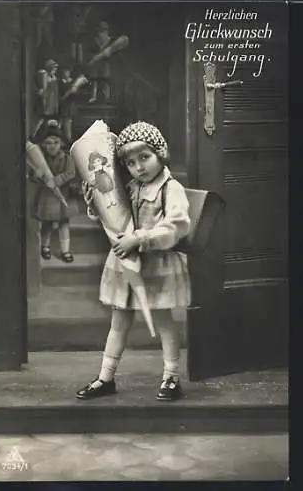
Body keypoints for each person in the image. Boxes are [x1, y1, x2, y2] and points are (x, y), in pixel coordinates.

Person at [76, 121, 191, 401]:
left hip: (157, 262)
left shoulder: (170, 188)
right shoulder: (129, 187)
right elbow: (115, 214)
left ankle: (171, 378)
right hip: (126, 264)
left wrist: (139, 239)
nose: (139, 167)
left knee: (164, 322)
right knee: (119, 322)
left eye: (144, 157)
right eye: (130, 162)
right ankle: (106, 377)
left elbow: (177, 226)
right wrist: (95, 203)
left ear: (160, 153)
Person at [29, 120, 79, 263]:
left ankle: (65, 250)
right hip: (47, 197)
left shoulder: (67, 158)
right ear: (43, 145)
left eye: (55, 142)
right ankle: (45, 247)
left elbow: (71, 173)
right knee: (47, 224)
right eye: (48, 143)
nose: (52, 146)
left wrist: (56, 180)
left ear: (61, 143)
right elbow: (34, 174)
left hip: (63, 195)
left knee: (64, 224)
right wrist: (39, 176)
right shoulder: (40, 159)